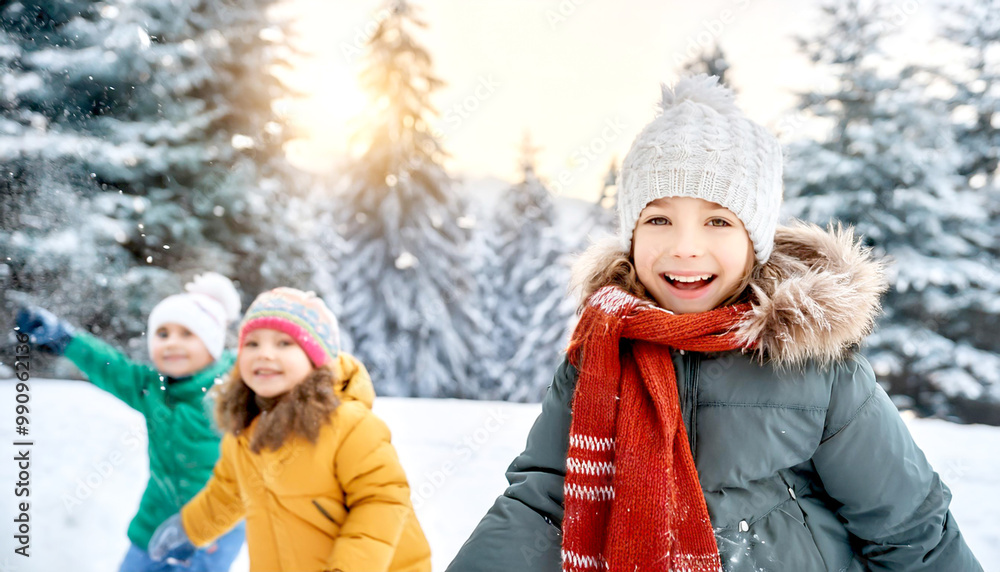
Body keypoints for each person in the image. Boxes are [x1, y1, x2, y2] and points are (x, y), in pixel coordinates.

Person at [446, 74, 983, 571]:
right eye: (658, 219)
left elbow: (911, 528)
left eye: (717, 221)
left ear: (755, 241)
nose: (685, 247)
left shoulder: (813, 365)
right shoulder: (603, 351)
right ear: (632, 237)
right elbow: (545, 501)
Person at [147, 287, 431, 572]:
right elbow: (228, 492)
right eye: (253, 344)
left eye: (284, 343)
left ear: (316, 360)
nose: (265, 354)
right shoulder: (245, 432)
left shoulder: (350, 426)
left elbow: (381, 503)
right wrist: (190, 527)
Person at [16, 272, 247, 572]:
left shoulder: (231, 387)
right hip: (154, 519)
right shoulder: (151, 388)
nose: (172, 343)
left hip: (215, 527)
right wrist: (65, 339)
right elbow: (111, 367)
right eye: (162, 334)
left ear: (213, 343)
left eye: (188, 334)